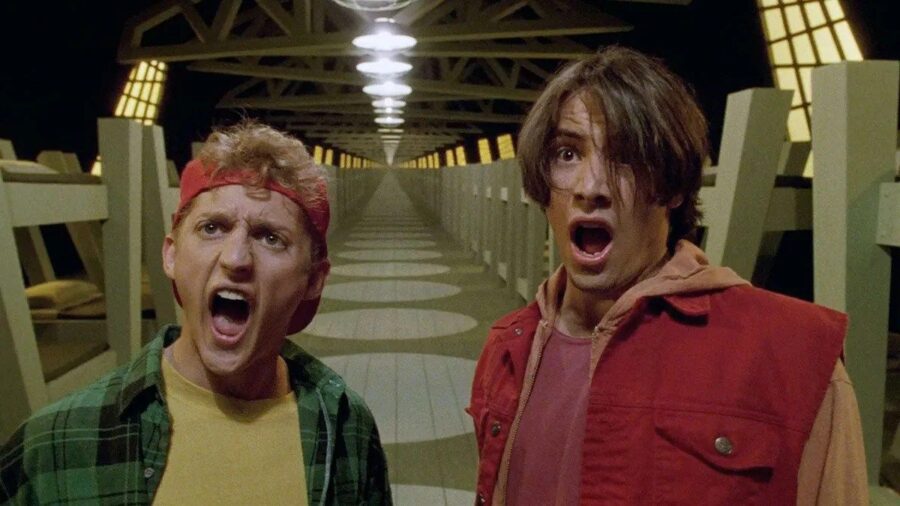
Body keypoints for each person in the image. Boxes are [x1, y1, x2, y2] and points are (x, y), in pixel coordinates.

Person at [467, 46, 867, 505]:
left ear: (673, 186)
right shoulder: (507, 349)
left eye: (626, 157)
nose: (590, 187)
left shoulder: (793, 358)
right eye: (567, 153)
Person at [0, 121, 391, 505]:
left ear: (313, 279)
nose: (235, 258)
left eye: (270, 238)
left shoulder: (345, 429)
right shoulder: (55, 446)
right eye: (212, 228)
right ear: (171, 255)